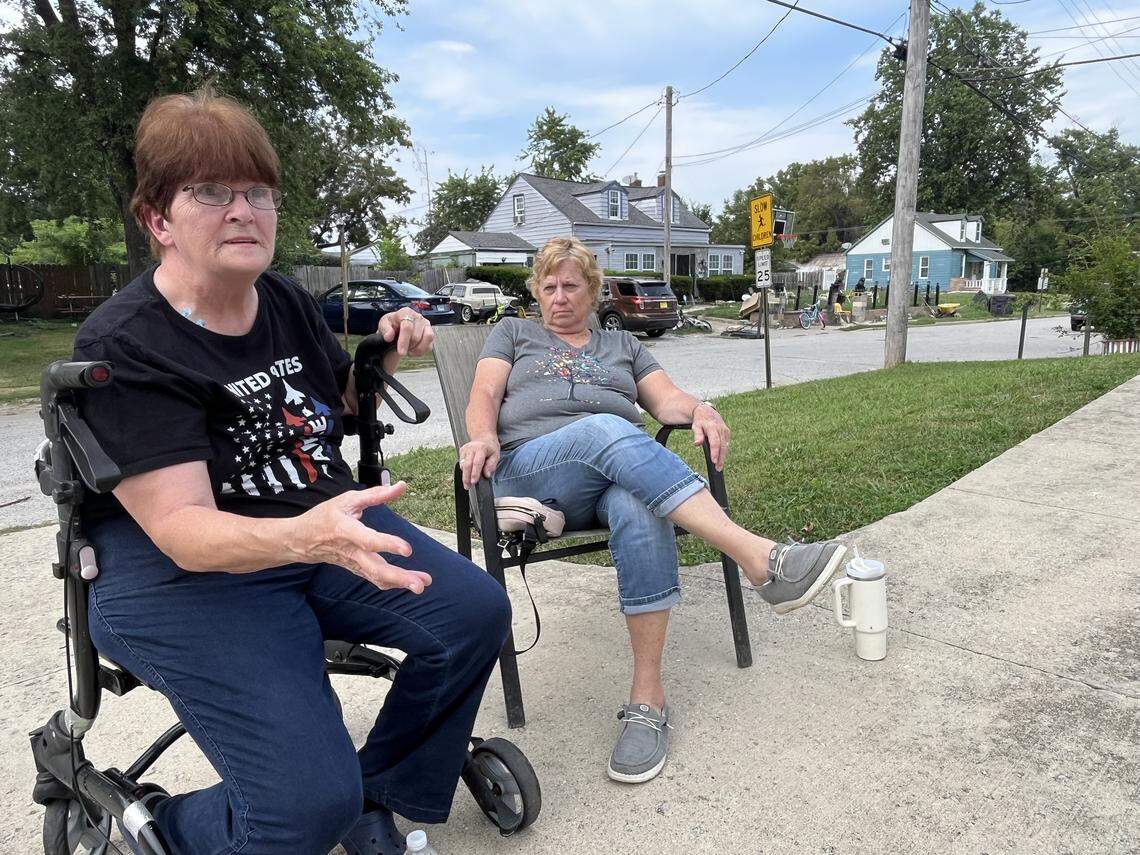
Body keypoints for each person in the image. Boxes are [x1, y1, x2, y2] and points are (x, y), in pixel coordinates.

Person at [73, 89, 511, 855]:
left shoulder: (281, 299)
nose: (244, 211)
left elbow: (335, 406)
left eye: (259, 192)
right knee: (303, 806)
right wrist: (307, 537)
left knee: (472, 613)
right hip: (181, 575)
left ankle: (376, 793)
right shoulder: (127, 343)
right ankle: (163, 825)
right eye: (211, 191)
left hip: (313, 528)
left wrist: (381, 354)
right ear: (158, 219)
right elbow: (181, 528)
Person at [460, 236, 846, 785]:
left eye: (571, 285)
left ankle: (647, 701)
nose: (559, 297)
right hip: (532, 472)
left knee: (639, 504)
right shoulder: (514, 334)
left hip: (612, 474)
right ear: (536, 293)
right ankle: (761, 559)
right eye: (548, 287)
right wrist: (480, 436)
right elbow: (483, 394)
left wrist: (702, 408)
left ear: (593, 291)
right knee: (604, 427)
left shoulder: (624, 345)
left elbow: (666, 401)